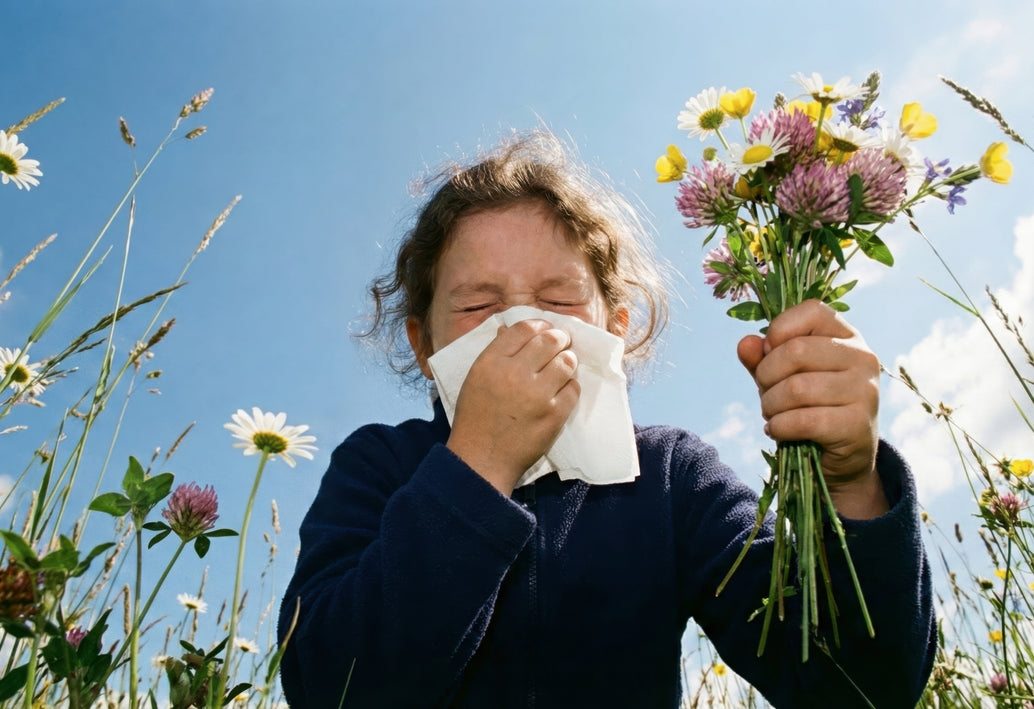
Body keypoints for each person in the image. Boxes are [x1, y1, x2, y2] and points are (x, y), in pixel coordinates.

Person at [277, 130, 935, 708]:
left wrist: (855, 485)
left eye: (559, 296)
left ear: (615, 328)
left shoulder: (673, 476)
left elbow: (861, 686)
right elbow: (329, 685)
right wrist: (476, 464)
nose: (524, 325)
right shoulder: (378, 467)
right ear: (425, 345)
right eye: (479, 304)